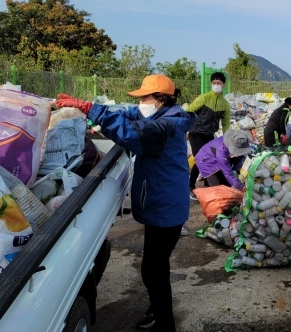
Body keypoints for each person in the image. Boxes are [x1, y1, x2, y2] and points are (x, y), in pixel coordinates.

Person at [54, 74, 195, 332]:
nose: (140, 101)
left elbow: (131, 133)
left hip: (165, 209)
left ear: (161, 100)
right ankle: (158, 308)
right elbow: (129, 114)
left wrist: (90, 110)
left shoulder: (163, 128)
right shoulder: (161, 116)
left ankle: (165, 325)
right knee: (156, 268)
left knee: (153, 271)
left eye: (144, 97)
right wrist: (93, 108)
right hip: (162, 204)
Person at [186, 72, 231, 200]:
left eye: (219, 83)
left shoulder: (225, 104)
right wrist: (185, 129)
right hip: (196, 133)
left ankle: (209, 185)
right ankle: (190, 187)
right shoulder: (203, 98)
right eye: (214, 83)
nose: (216, 85)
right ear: (211, 84)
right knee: (200, 159)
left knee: (213, 159)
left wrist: (227, 140)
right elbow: (189, 111)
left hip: (209, 135)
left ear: (224, 85)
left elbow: (226, 123)